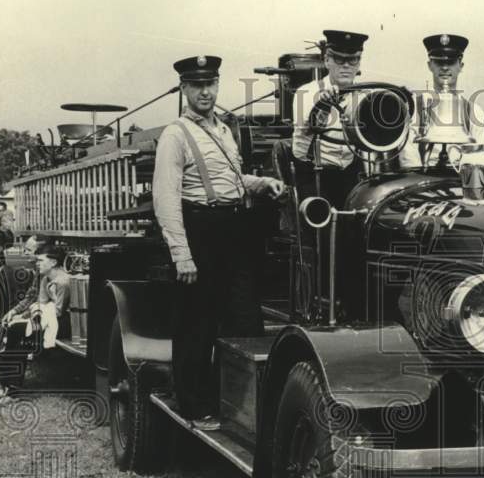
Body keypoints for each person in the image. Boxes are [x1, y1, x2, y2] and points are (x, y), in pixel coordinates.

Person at [152, 54, 284, 430]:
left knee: (245, 319)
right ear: (184, 89)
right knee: (197, 323)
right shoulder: (175, 134)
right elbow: (166, 198)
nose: (205, 92)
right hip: (199, 228)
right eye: (197, 85)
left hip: (232, 228)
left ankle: (243, 410)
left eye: (210, 84)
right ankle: (194, 408)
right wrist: (183, 256)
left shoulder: (224, 129)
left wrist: (261, 183)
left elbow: (232, 177)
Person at [291, 30, 369, 210]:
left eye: (353, 60)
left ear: (358, 64)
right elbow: (312, 124)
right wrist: (324, 104)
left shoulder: (363, 96)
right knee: (319, 225)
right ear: (327, 61)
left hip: (350, 172)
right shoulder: (307, 93)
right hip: (313, 173)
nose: (346, 66)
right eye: (339, 60)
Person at [0, 242, 72, 402]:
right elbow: (39, 305)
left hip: (63, 324)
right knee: (14, 330)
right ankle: (8, 387)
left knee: (20, 338)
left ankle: (11, 390)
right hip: (48, 319)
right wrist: (22, 316)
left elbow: (59, 312)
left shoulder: (63, 282)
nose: (36, 263)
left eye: (40, 260)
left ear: (53, 262)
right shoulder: (45, 278)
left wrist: (29, 318)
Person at [399, 34, 484, 171]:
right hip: (420, 185)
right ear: (430, 65)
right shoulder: (412, 108)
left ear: (461, 65)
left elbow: (481, 159)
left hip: (461, 185)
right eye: (439, 62)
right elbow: (408, 159)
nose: (445, 68)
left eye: (451, 62)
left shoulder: (474, 112)